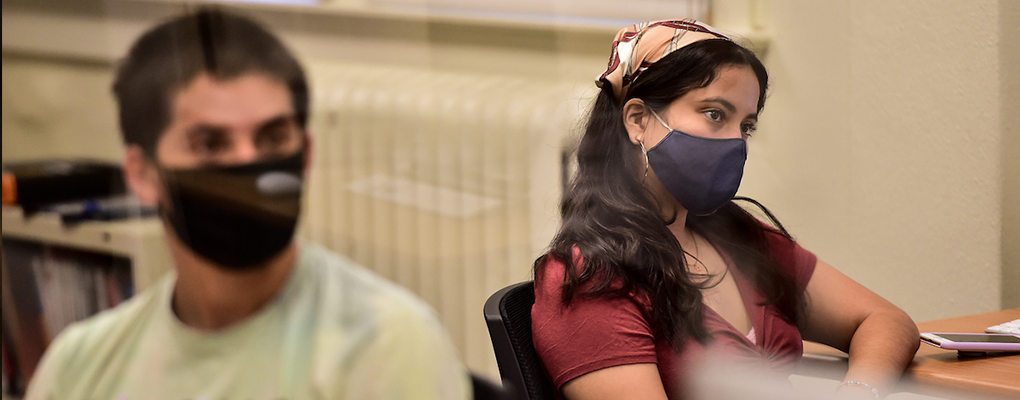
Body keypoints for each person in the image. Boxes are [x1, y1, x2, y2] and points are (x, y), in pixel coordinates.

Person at [24, 9, 470, 399]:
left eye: (272, 138)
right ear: (143, 174)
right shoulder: (79, 366)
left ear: (307, 154)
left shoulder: (384, 344)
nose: (248, 165)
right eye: (211, 144)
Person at [531, 19, 920, 400]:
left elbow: (886, 321)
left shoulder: (733, 234)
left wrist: (858, 391)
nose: (737, 142)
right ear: (639, 120)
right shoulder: (590, 279)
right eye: (715, 114)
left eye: (746, 126)